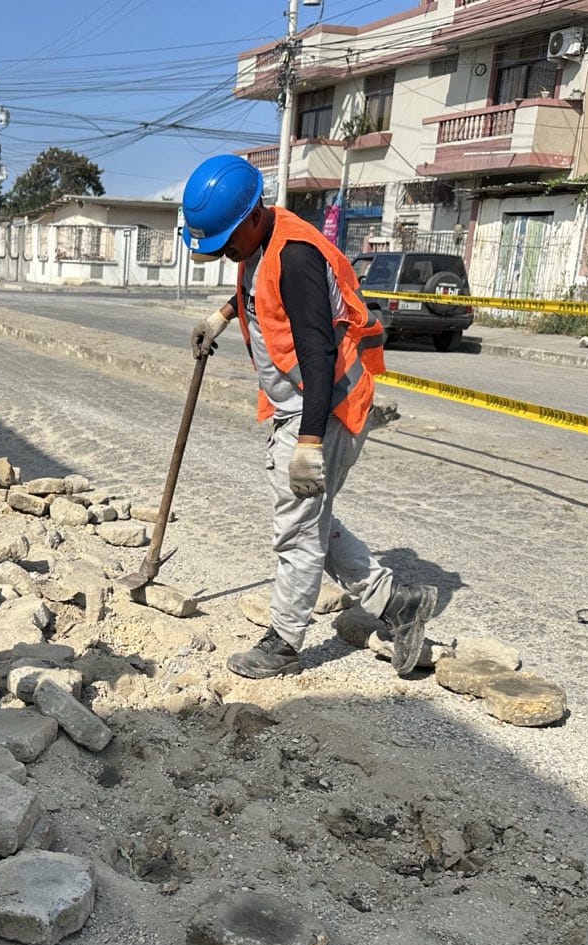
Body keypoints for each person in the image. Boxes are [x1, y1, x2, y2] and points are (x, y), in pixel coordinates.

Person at [180, 154, 435, 681]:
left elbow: (318, 358)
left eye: (227, 243)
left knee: (297, 529)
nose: (226, 253)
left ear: (253, 215)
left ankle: (284, 641)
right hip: (298, 404)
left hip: (324, 405)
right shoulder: (259, 239)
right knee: (309, 519)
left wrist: (309, 442)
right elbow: (256, 286)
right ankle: (399, 603)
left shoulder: (296, 259)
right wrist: (222, 315)